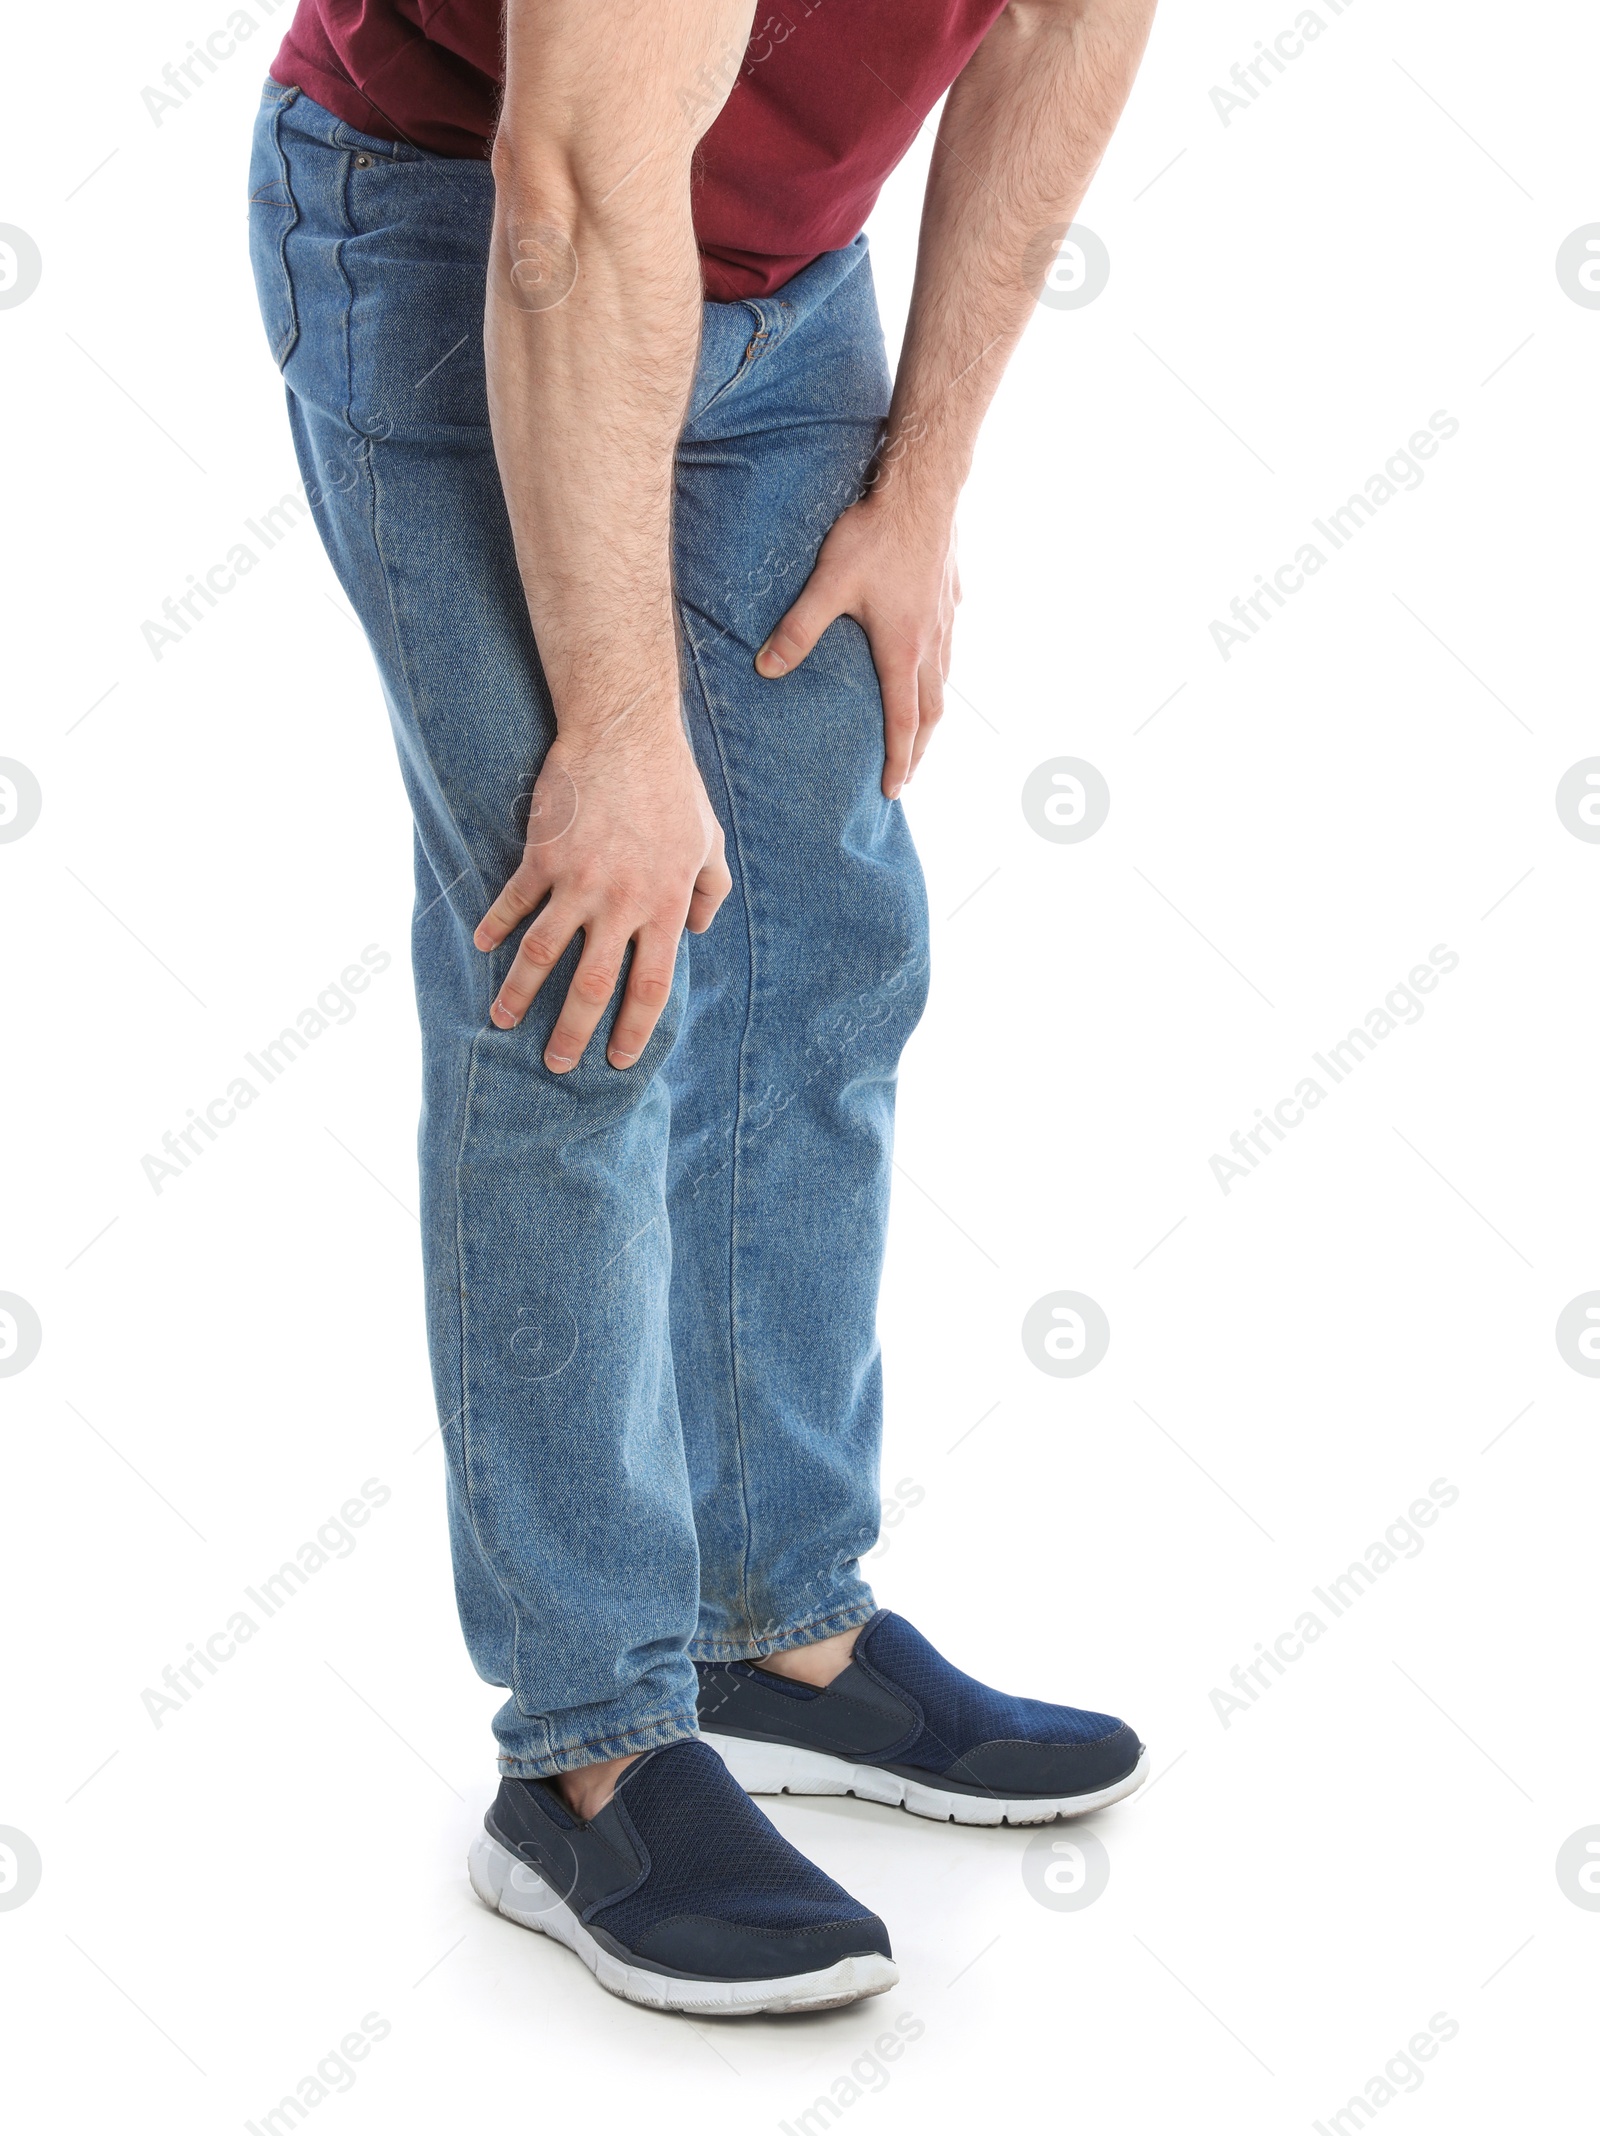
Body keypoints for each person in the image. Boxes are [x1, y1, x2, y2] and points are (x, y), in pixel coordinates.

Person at [249, 0, 1157, 2016]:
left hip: (778, 280)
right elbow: (569, 205)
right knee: (584, 967)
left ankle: (773, 1628)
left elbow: (1075, 22)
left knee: (824, 933)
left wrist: (917, 495)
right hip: (462, 231)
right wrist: (621, 729)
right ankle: (583, 1759)